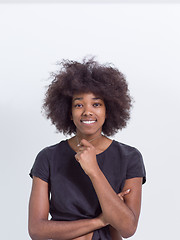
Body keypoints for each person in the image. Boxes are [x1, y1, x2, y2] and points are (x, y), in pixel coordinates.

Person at [28, 57, 146, 240]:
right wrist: (100, 221)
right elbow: (36, 230)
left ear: (108, 110)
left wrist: (94, 170)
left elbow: (128, 228)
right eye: (79, 105)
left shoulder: (129, 157)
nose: (87, 111)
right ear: (69, 112)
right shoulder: (48, 157)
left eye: (96, 104)